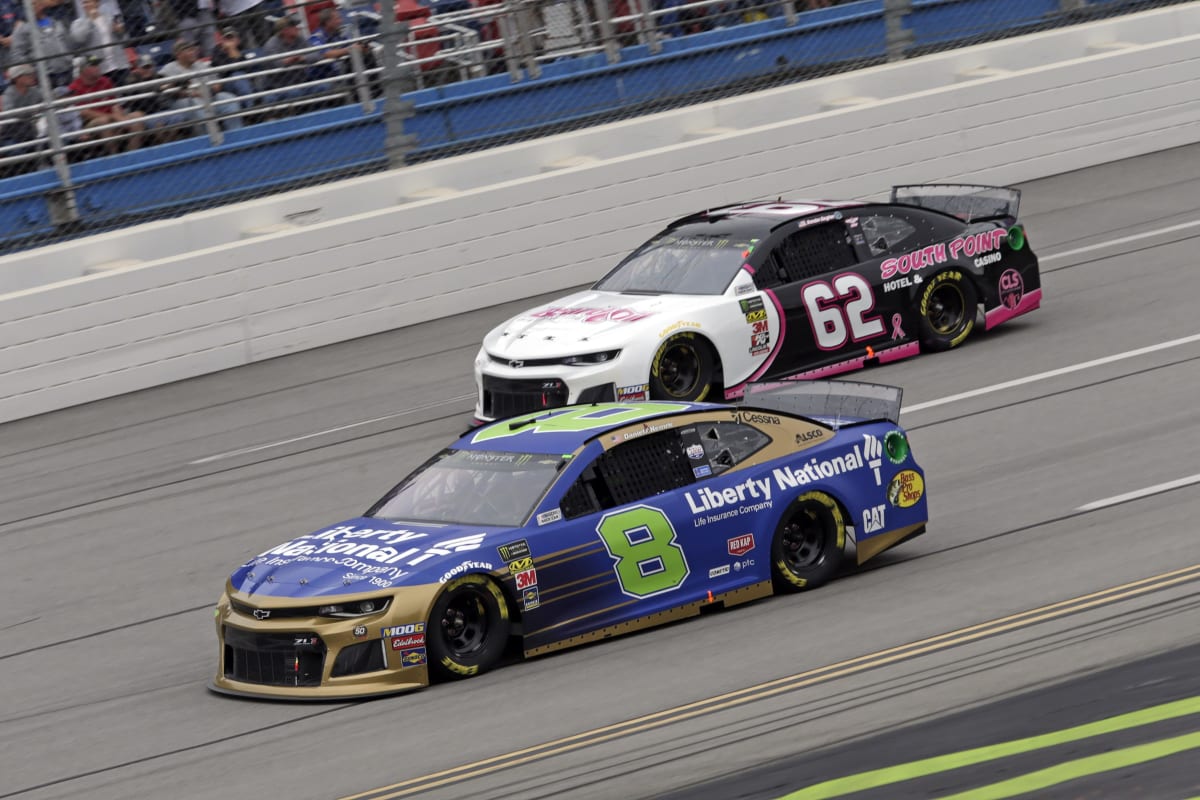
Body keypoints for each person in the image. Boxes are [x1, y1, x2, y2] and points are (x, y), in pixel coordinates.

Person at [68, 52, 145, 153]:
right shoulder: (74, 87)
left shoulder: (105, 81)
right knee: (104, 121)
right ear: (84, 70)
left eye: (97, 64)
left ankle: (133, 153)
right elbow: (84, 113)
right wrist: (113, 118)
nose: (98, 67)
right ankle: (114, 157)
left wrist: (121, 119)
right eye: (94, 65)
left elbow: (114, 104)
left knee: (137, 115)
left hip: (113, 117)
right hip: (90, 123)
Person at [160, 37, 243, 131]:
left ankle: (237, 132)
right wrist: (193, 93)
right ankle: (211, 139)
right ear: (178, 54)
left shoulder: (201, 65)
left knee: (228, 98)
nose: (194, 52)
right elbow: (164, 88)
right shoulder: (169, 68)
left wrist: (210, 91)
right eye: (189, 50)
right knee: (196, 104)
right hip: (185, 100)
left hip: (208, 96)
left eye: (194, 49)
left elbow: (217, 83)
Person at [11, 0, 82, 88]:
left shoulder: (56, 22)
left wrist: (70, 59)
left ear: (42, 4)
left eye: (35, 3)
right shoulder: (22, 29)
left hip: (67, 70)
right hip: (44, 77)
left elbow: (70, 45)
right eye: (29, 5)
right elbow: (17, 55)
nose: (32, 7)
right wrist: (33, 69)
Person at [70, 0, 128, 85]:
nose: (86, 5)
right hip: (98, 69)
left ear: (97, 3)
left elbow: (122, 37)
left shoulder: (109, 17)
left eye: (89, 2)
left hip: (119, 64)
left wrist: (120, 31)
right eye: (84, 3)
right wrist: (89, 20)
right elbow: (79, 39)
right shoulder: (78, 23)